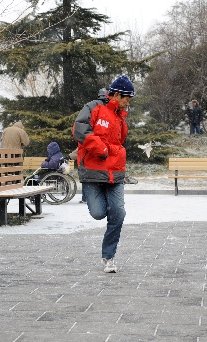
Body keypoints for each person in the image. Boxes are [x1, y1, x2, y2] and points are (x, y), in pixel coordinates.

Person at [72, 75, 134, 273]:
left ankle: (109, 257)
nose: (128, 103)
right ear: (116, 94)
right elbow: (79, 129)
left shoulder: (121, 116)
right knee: (98, 213)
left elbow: (121, 140)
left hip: (115, 172)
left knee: (119, 213)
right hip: (93, 171)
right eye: (126, 98)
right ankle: (109, 210)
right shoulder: (93, 107)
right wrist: (101, 148)